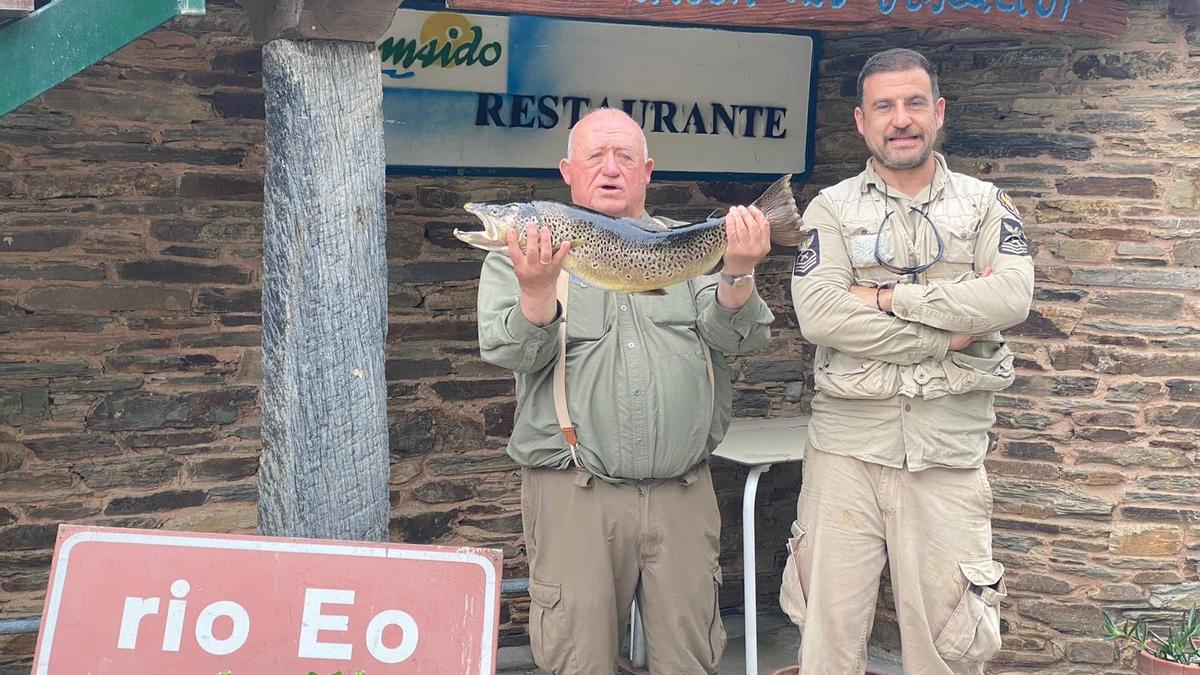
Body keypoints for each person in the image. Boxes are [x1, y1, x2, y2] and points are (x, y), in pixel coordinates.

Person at [477, 107, 777, 674]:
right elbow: (514, 354)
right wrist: (537, 291)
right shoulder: (523, 254)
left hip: (683, 493)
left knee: (689, 660)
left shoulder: (687, 247)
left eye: (625, 158)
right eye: (595, 157)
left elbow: (740, 339)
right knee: (579, 659)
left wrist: (737, 272)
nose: (610, 170)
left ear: (648, 171)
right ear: (568, 170)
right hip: (576, 494)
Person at [781, 48, 1034, 674]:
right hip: (846, 454)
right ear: (862, 121)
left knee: (948, 644)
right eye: (885, 107)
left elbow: (1009, 295)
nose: (902, 119)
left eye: (915, 103)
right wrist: (945, 334)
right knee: (828, 640)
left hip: (946, 455)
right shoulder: (831, 209)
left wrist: (892, 296)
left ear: (938, 112)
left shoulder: (984, 204)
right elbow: (822, 316)